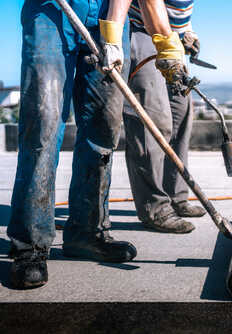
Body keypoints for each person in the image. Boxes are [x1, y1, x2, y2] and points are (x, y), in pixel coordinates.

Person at [8, 0, 185, 290]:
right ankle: (30, 245)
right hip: (52, 11)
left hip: (106, 13)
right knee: (44, 122)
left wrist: (150, 41)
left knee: (103, 126)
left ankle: (87, 233)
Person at [124, 0, 206, 234]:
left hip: (171, 39)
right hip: (142, 32)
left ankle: (176, 197)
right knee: (152, 121)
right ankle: (155, 208)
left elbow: (178, 8)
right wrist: (165, 39)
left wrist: (186, 31)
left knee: (181, 117)